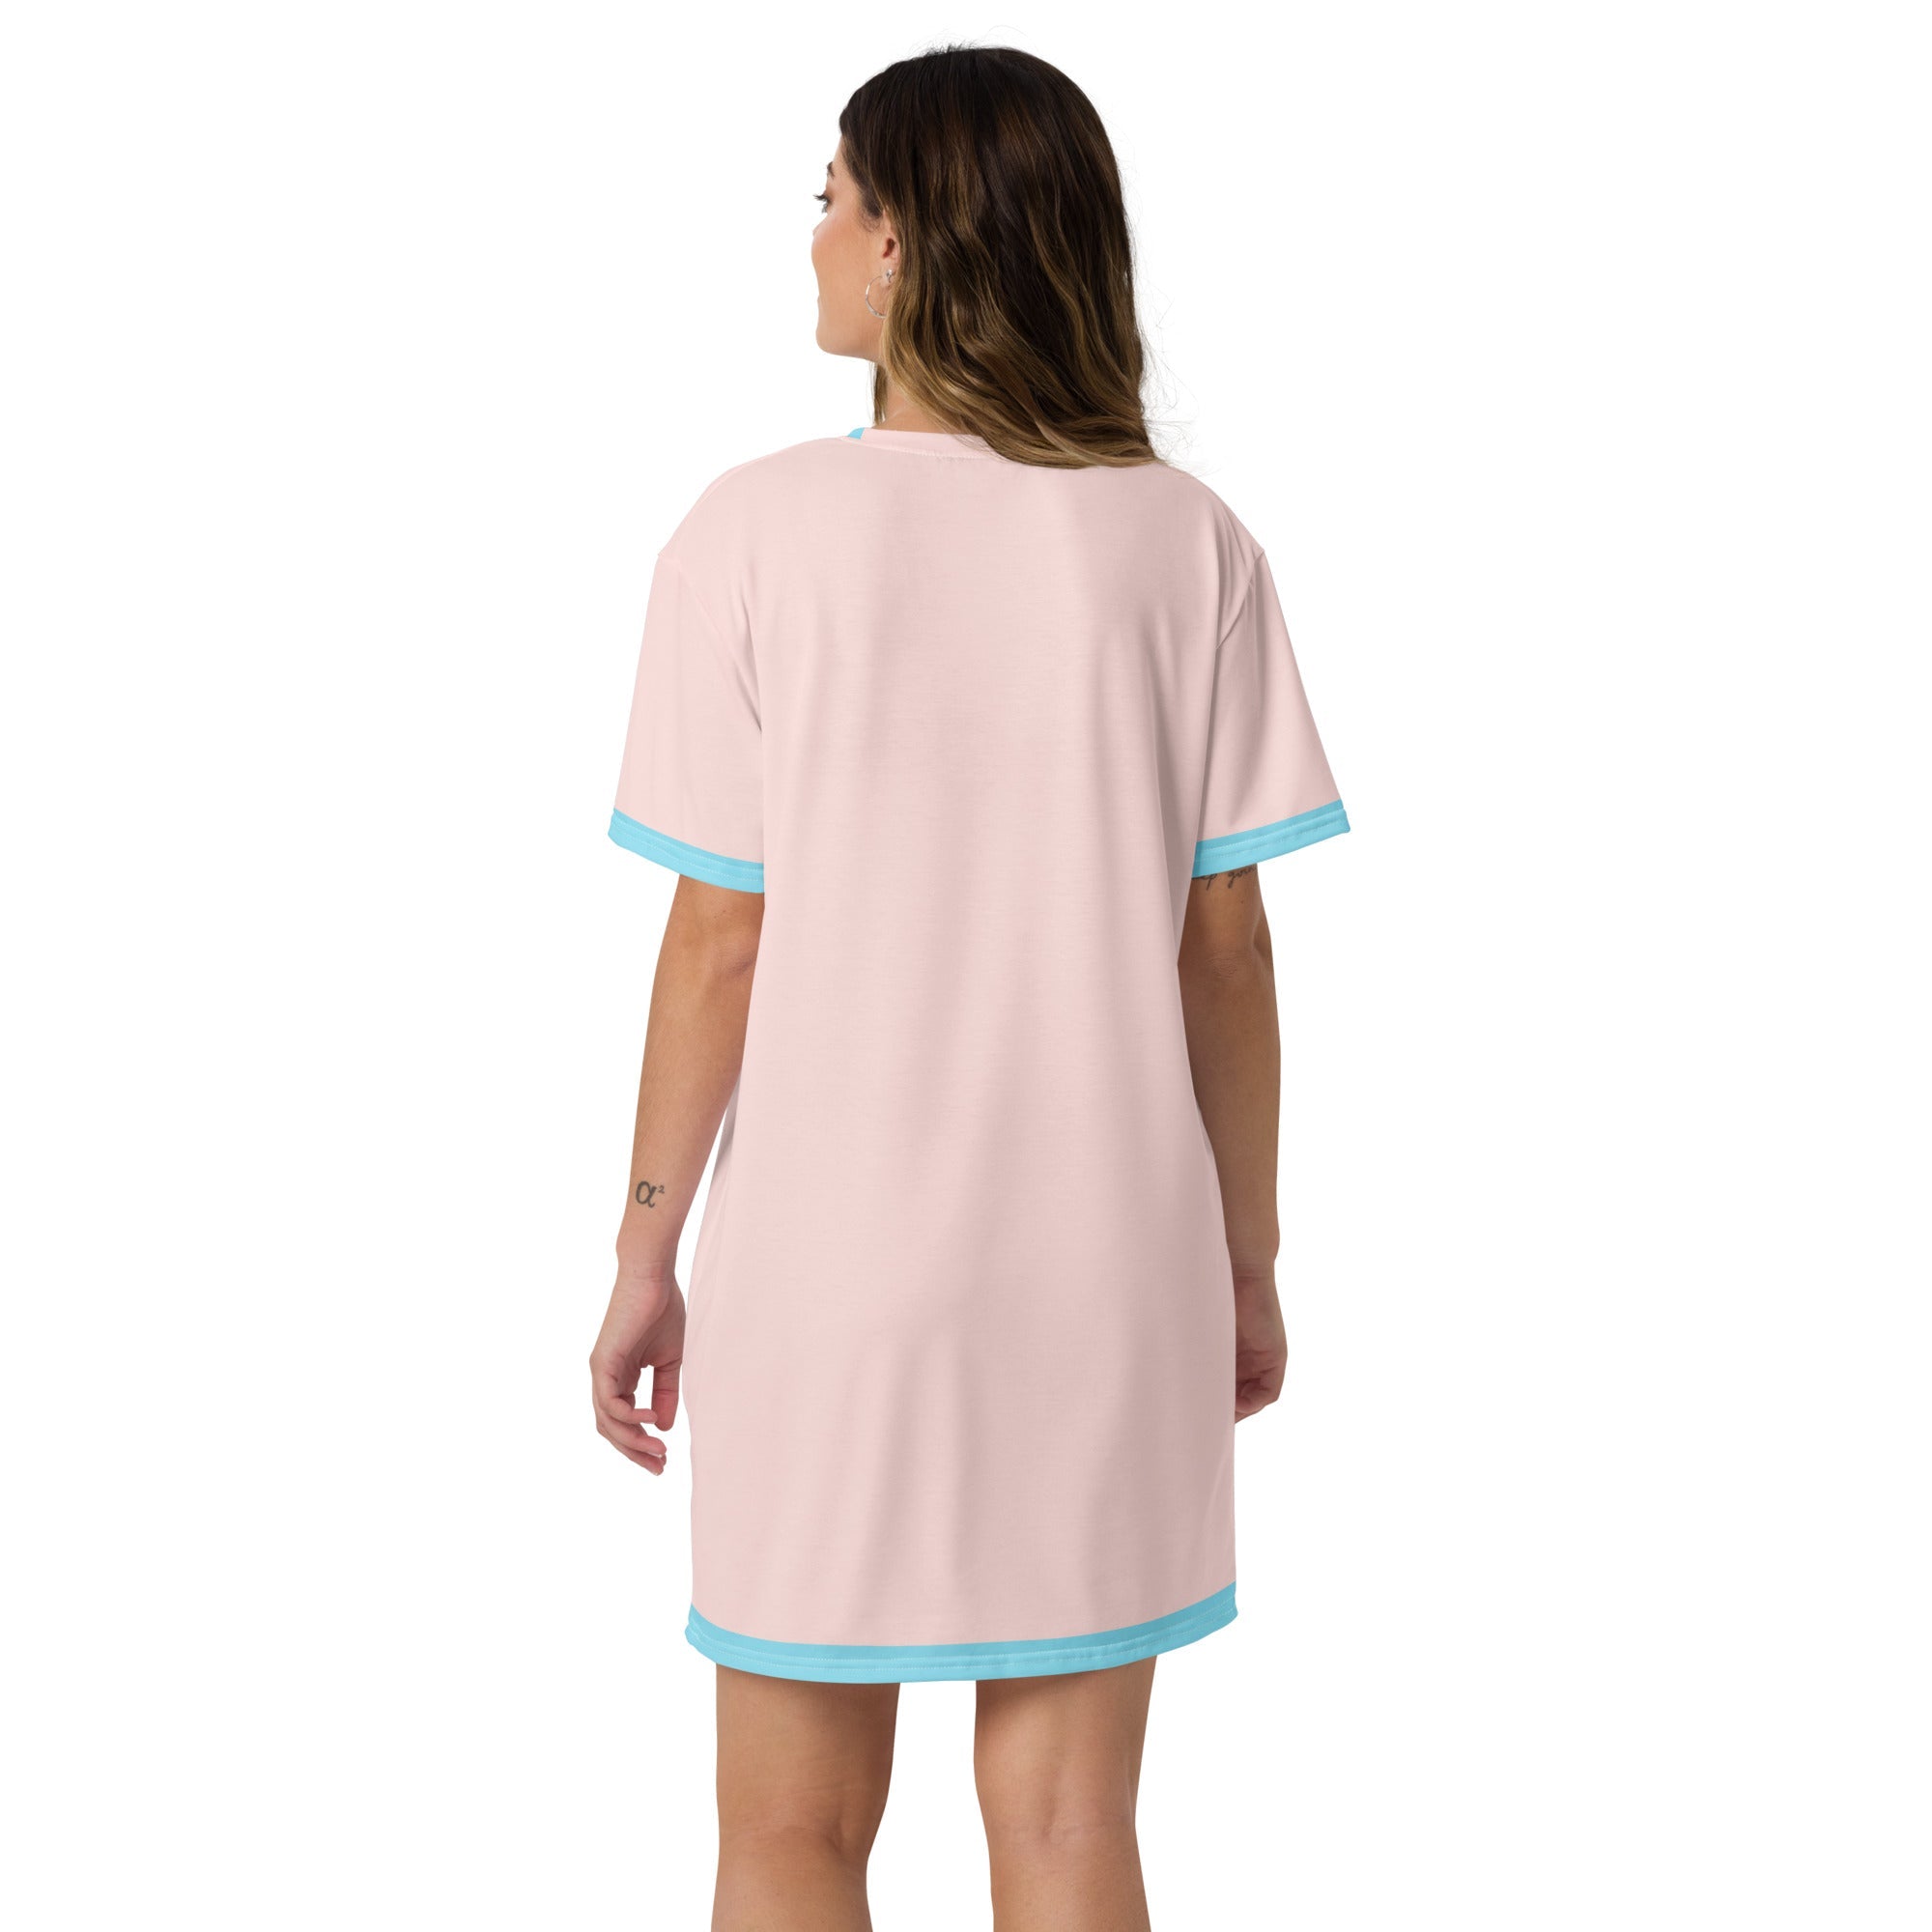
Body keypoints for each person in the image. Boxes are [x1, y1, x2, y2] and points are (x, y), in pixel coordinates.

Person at [589, 43, 1350, 1932]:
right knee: (1075, 1832)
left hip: (831, 1282)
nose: (813, 233)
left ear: (907, 241)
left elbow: (719, 940)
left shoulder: (750, 534)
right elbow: (1228, 948)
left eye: (833, 196)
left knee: (788, 1833)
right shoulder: (1187, 545)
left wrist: (643, 1248)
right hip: (1108, 1269)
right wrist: (1246, 1260)